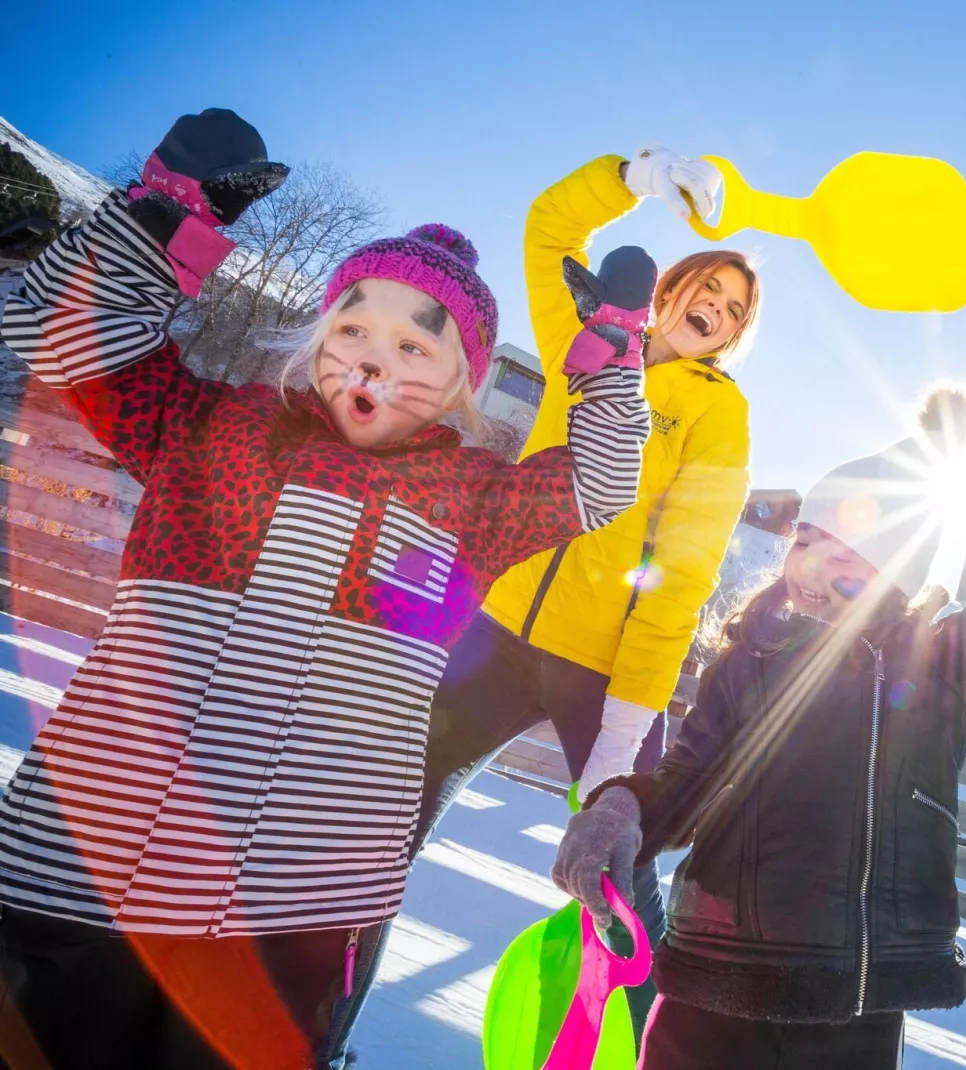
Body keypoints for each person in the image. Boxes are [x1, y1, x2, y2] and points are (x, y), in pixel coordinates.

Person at [0, 109, 648, 1070]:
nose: (378, 357)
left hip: (292, 922)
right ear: (315, 342)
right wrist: (160, 218)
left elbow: (596, 484)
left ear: (464, 385)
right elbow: (56, 337)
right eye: (355, 326)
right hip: (84, 873)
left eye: (418, 347)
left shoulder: (474, 500)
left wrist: (610, 356)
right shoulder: (208, 427)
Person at [330, 143, 760, 1056]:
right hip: (490, 628)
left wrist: (627, 718)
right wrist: (635, 177)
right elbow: (549, 227)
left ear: (730, 338)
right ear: (671, 290)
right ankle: (316, 1028)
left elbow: (684, 569)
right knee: (370, 832)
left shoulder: (718, 412)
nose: (712, 315)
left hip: (602, 669)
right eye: (703, 293)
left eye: (730, 314)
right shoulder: (589, 340)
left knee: (622, 878)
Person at [549, 417, 966, 1069]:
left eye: (847, 555)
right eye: (806, 540)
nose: (813, 567)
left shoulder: (937, 665)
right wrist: (622, 809)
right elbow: (685, 781)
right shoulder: (747, 663)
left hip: (855, 1004)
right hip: (718, 982)